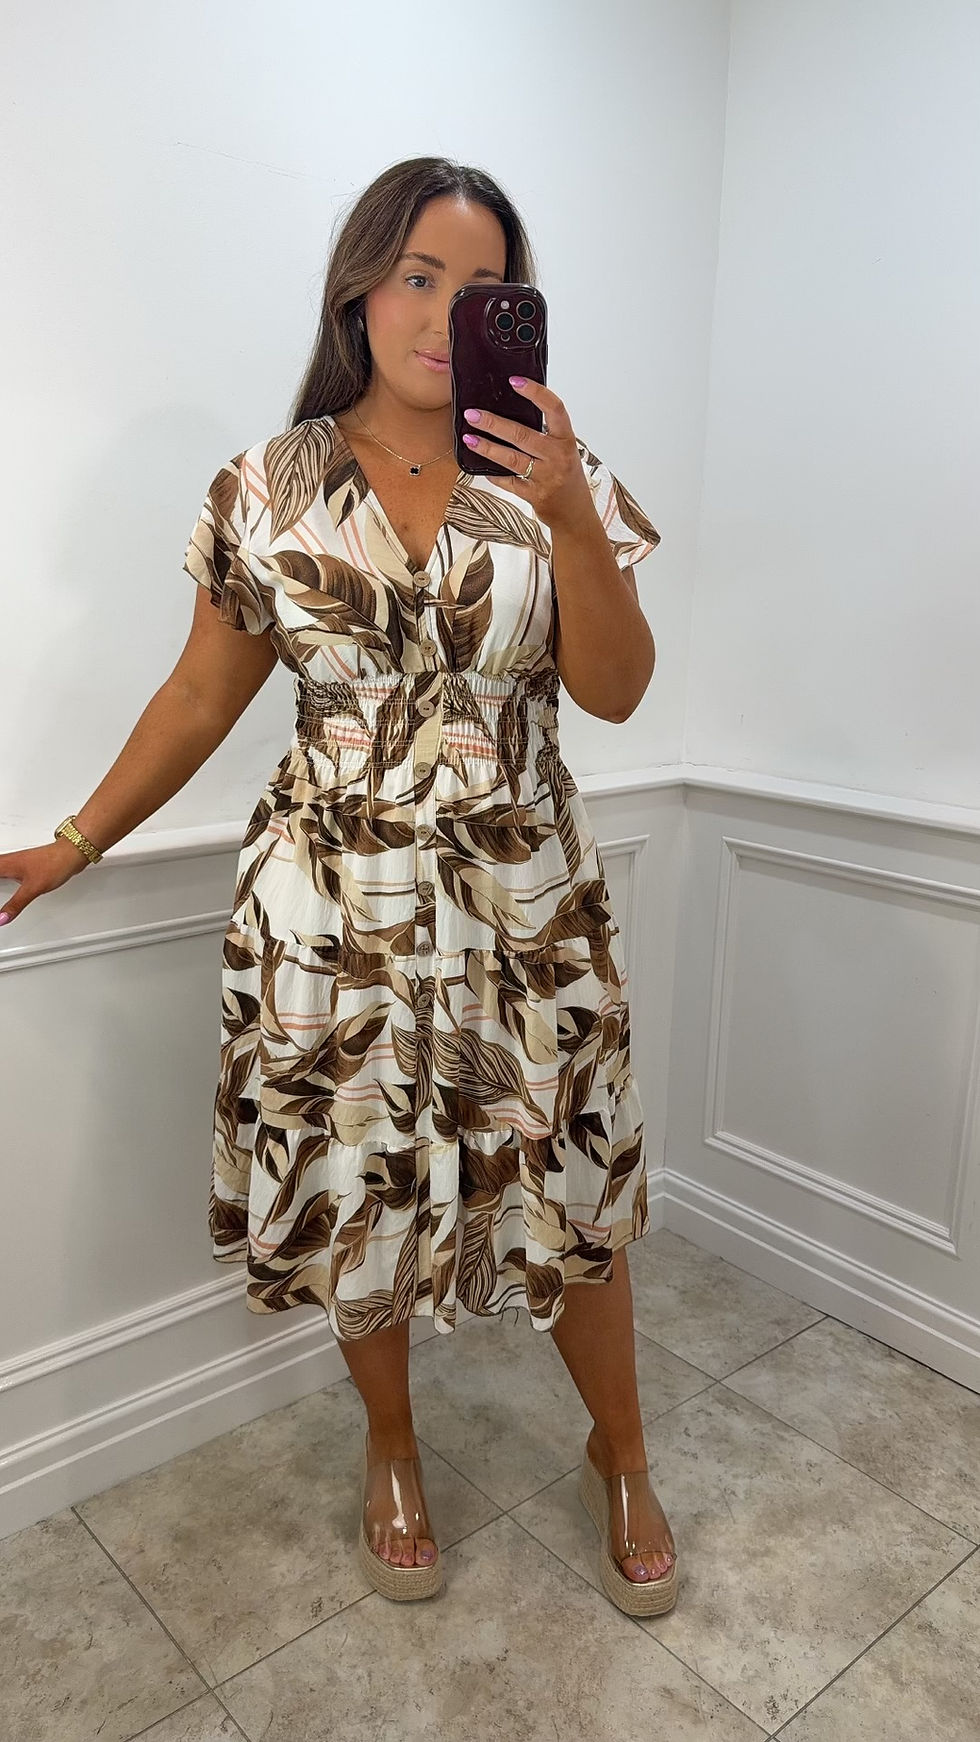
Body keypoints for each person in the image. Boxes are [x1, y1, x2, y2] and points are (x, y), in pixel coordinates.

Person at [0, 156, 677, 1614]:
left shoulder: (558, 472)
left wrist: (567, 511)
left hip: (525, 916)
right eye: (416, 277)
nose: (442, 313)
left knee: (570, 1182)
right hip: (330, 913)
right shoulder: (270, 487)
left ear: (516, 310)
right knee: (359, 1189)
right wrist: (74, 838)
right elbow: (200, 694)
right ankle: (392, 1442)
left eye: (479, 286)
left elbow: (618, 688)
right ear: (358, 292)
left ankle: (621, 1451)